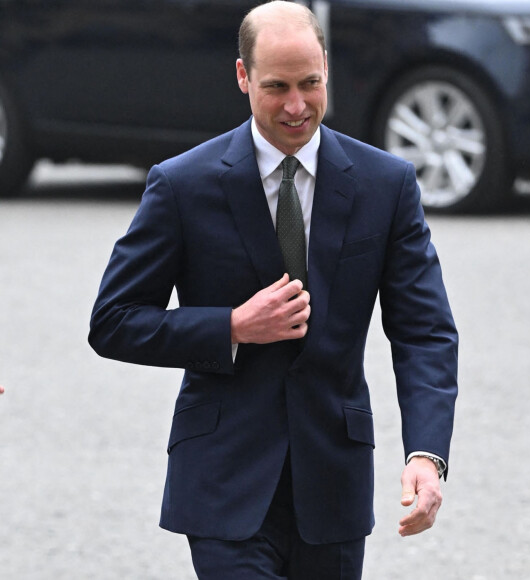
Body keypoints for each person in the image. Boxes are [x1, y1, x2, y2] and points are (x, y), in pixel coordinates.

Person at [89, 2, 458, 578]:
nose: (296, 106)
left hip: (334, 483)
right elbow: (113, 319)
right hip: (222, 480)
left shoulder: (387, 185)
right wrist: (230, 327)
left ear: (327, 68)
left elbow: (425, 330)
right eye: (276, 87)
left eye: (310, 84)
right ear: (242, 77)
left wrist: (427, 455)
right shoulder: (182, 184)